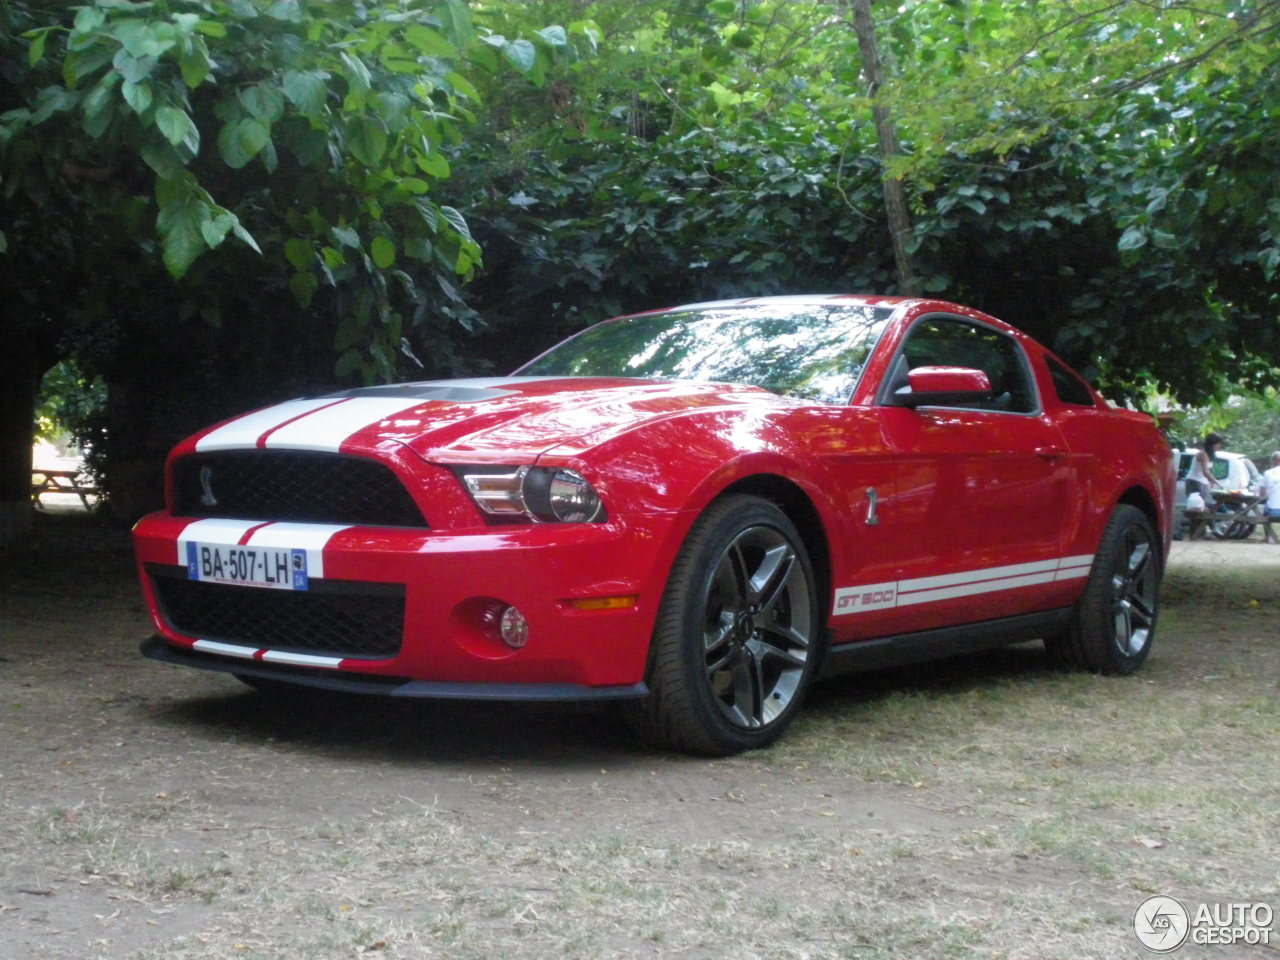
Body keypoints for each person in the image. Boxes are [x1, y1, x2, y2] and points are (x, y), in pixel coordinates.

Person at [1186, 432, 1227, 500]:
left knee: (1203, 506)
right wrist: (1217, 482)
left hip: (1202, 482)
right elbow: (1206, 472)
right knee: (1196, 506)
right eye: (1218, 444)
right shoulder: (1203, 454)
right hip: (1195, 481)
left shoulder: (1210, 455)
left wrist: (1211, 482)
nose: (1219, 446)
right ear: (1212, 444)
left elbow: (1209, 471)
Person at [1261, 451, 1280, 545]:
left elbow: (1262, 491)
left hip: (1273, 510)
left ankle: (1267, 537)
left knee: (1265, 511)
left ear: (1274, 461)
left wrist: (1264, 495)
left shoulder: (1268, 473)